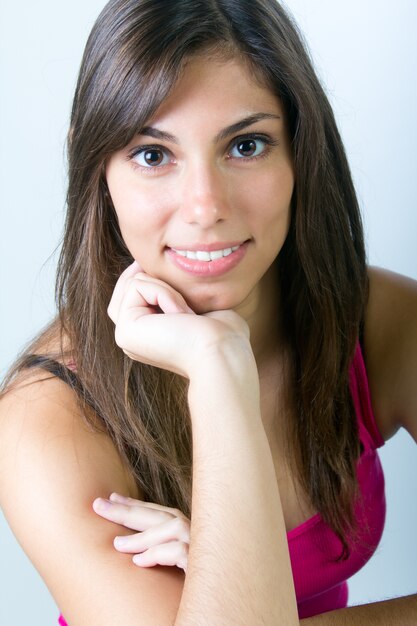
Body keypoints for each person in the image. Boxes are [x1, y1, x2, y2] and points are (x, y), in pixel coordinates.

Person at [0, 0, 416, 623]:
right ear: (96, 169)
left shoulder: (379, 322)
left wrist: (245, 595)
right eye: (152, 155)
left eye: (246, 145)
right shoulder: (47, 418)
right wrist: (218, 369)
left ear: (301, 152)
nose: (204, 206)